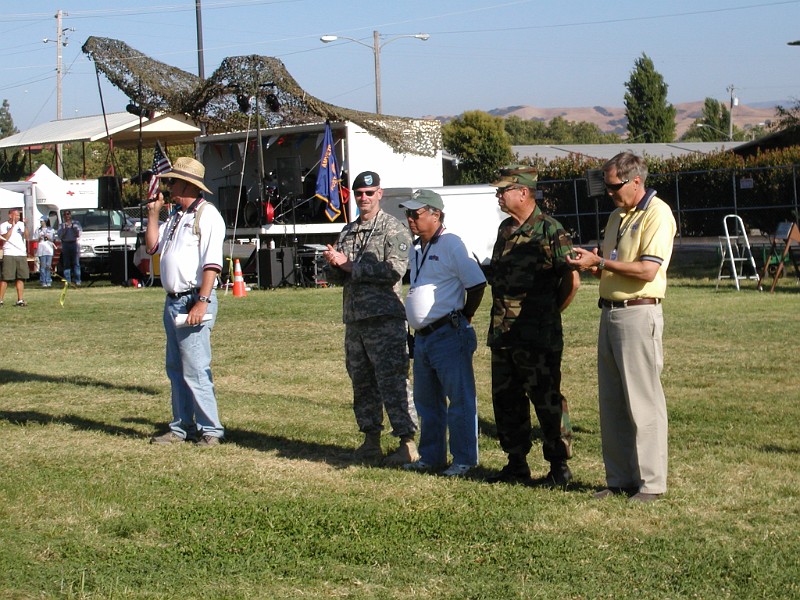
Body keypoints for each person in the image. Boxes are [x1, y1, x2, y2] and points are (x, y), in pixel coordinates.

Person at [566, 152, 676, 503]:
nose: (609, 193)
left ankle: (652, 483)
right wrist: (592, 263)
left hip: (638, 313)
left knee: (643, 402)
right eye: (607, 186)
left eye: (614, 186)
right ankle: (619, 480)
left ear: (636, 181)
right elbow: (613, 265)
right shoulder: (617, 215)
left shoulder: (658, 214)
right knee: (612, 401)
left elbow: (647, 270)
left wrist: (601, 261)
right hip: (609, 312)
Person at [486, 166, 580, 488]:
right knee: (507, 399)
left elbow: (572, 280)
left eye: (504, 190)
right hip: (503, 333)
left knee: (547, 399)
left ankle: (559, 468)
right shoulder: (504, 230)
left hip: (537, 335)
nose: (498, 196)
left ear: (523, 192)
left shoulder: (549, 229)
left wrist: (549, 312)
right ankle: (516, 464)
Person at [322, 170, 419, 466]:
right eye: (359, 194)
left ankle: (408, 441)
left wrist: (351, 266)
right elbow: (339, 277)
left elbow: (394, 271)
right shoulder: (349, 231)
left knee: (393, 381)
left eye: (369, 192)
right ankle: (370, 439)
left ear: (380, 194)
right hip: (355, 321)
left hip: (385, 320)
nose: (363, 198)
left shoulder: (394, 230)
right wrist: (332, 264)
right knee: (361, 383)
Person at [399, 189, 487, 477]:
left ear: (436, 215)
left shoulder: (451, 244)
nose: (410, 218)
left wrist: (465, 315)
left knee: (459, 399)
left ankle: (464, 460)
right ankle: (431, 456)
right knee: (427, 401)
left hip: (448, 333)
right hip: (423, 337)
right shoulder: (417, 248)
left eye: (416, 213)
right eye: (408, 213)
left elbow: (476, 284)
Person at [145, 156, 226, 447]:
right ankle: (182, 428)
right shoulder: (177, 217)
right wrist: (153, 214)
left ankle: (210, 429)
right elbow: (152, 246)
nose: (168, 187)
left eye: (173, 181)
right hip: (174, 301)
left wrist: (202, 301)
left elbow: (212, 264)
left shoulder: (208, 215)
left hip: (193, 298)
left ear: (189, 185)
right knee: (177, 368)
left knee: (195, 368)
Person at [0, 208, 30, 307]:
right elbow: (5, 238)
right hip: (9, 253)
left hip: (21, 253)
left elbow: (27, 237)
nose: (17, 217)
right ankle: (0, 300)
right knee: (5, 278)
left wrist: (25, 226)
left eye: (18, 215)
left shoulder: (21, 224)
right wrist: (12, 227)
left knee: (20, 277)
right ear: (10, 215)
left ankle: (20, 300)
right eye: (15, 215)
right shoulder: (4, 225)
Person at [57, 210, 82, 286]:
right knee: (66, 263)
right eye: (65, 215)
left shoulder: (76, 223)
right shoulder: (61, 225)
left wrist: (73, 228)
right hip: (65, 244)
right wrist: (65, 229)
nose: (66, 216)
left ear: (70, 215)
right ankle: (67, 281)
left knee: (76, 263)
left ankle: (77, 280)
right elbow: (60, 236)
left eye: (68, 214)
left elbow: (78, 234)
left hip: (74, 243)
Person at [35, 216, 56, 288]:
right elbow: (35, 239)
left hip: (49, 249)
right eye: (40, 221)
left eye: (42, 221)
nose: (41, 222)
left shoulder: (51, 229)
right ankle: (43, 281)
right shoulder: (38, 230)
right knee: (43, 266)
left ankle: (48, 280)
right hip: (41, 250)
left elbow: (53, 239)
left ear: (45, 221)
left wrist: (47, 236)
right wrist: (39, 238)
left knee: (48, 266)